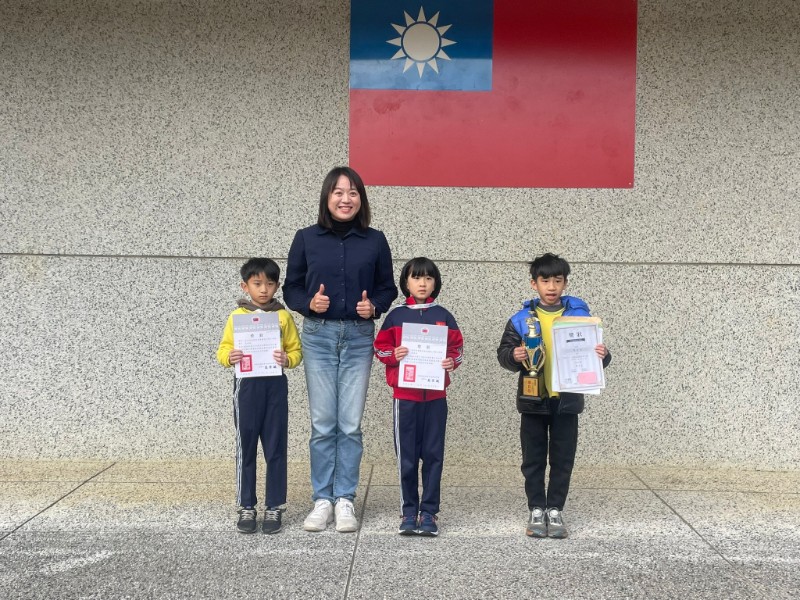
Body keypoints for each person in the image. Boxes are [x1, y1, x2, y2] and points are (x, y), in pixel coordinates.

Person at [283, 166, 398, 533]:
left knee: (349, 424)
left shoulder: (375, 240)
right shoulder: (306, 238)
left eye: (352, 193)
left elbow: (387, 287)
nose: (345, 199)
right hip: (318, 336)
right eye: (338, 192)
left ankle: (344, 498)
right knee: (323, 423)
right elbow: (291, 288)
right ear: (327, 197)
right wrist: (307, 304)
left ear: (360, 199)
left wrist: (374, 307)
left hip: (359, 337)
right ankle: (322, 499)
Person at [497, 253, 611, 539]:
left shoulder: (580, 317)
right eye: (545, 281)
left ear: (565, 283)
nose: (551, 287)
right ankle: (536, 509)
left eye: (557, 281)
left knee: (563, 459)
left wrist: (603, 355)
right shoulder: (521, 320)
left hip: (567, 401)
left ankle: (556, 510)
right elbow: (503, 353)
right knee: (532, 459)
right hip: (533, 401)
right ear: (533, 284)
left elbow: (596, 356)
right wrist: (513, 355)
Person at [374, 257, 464, 537]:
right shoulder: (396, 316)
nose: (422, 283)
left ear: (435, 283)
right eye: (416, 277)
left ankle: (429, 512)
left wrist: (451, 362)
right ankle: (409, 510)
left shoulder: (444, 316)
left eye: (428, 278)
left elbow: (457, 349)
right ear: (406, 283)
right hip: (405, 398)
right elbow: (380, 349)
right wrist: (394, 355)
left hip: (435, 397)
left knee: (434, 455)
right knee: (407, 456)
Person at [216, 258, 302, 534]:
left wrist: (288, 359)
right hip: (246, 387)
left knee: (275, 446)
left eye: (270, 284)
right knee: (246, 445)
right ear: (245, 286)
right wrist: (229, 357)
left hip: (275, 385)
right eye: (257, 284)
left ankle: (274, 505)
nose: (264, 289)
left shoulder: (283, 316)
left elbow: (296, 351)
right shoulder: (236, 317)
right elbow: (223, 350)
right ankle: (246, 506)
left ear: (277, 286)